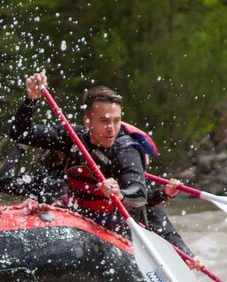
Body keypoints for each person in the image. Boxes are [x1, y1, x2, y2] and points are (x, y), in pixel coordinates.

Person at [10, 71, 147, 236]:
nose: (111, 128)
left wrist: (121, 194)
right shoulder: (72, 136)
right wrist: (31, 99)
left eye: (116, 121)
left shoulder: (125, 150)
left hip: (117, 231)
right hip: (80, 223)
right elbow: (21, 133)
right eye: (104, 121)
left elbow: (139, 192)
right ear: (87, 121)